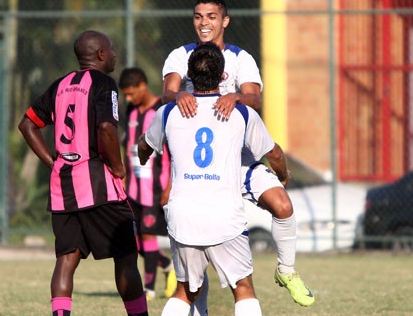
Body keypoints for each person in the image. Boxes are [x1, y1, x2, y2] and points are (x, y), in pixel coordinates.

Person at [161, 0, 314, 310]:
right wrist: (177, 97)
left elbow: (254, 99)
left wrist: (237, 98)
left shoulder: (240, 58)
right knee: (196, 271)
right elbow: (167, 92)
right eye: (198, 16)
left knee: (283, 205)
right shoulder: (180, 54)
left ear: (224, 21)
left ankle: (286, 271)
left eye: (211, 16)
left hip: (240, 159)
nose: (204, 23)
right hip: (203, 164)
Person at [18, 30, 148, 316]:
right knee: (126, 256)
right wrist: (118, 167)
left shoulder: (60, 85)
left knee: (66, 259)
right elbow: (105, 129)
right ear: (100, 54)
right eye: (111, 49)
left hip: (63, 187)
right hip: (99, 185)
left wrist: (53, 162)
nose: (114, 54)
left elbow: (27, 124)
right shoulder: (105, 84)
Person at [139, 42, 263, 316]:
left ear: (189, 77)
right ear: (223, 77)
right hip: (224, 216)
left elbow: (144, 146)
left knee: (184, 290)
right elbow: (272, 153)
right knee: (242, 287)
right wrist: (283, 173)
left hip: (183, 216)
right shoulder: (241, 112)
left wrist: (144, 154)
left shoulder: (169, 111)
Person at [118, 67, 177, 301]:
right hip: (132, 186)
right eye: (126, 95)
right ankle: (167, 266)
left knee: (148, 235)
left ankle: (148, 290)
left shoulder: (161, 111)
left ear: (143, 85)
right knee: (135, 241)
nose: (129, 99)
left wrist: (170, 185)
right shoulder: (130, 110)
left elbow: (173, 150)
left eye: (132, 93)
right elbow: (127, 143)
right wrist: (122, 175)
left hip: (154, 188)